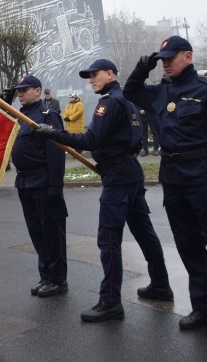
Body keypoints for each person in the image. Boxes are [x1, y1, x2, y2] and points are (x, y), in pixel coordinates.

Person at [35, 59, 172, 322]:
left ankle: (110, 301)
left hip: (119, 177)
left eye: (95, 75)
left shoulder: (109, 102)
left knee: (108, 240)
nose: (91, 81)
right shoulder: (124, 99)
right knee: (144, 233)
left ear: (110, 74)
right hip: (129, 171)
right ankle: (160, 284)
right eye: (90, 77)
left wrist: (53, 134)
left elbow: (91, 140)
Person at [124, 35, 207, 337]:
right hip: (174, 178)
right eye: (162, 59)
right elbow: (131, 91)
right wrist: (141, 68)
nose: (165, 63)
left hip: (204, 175)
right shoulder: (162, 91)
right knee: (189, 246)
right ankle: (203, 306)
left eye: (170, 58)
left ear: (187, 56)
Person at [9, 75, 68, 298]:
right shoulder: (21, 116)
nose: (21, 94)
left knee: (51, 232)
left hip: (43, 182)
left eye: (25, 90)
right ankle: (46, 275)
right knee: (37, 232)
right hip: (25, 182)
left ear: (37, 91)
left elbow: (56, 153)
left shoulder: (48, 116)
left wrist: (55, 187)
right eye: (19, 91)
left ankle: (58, 279)